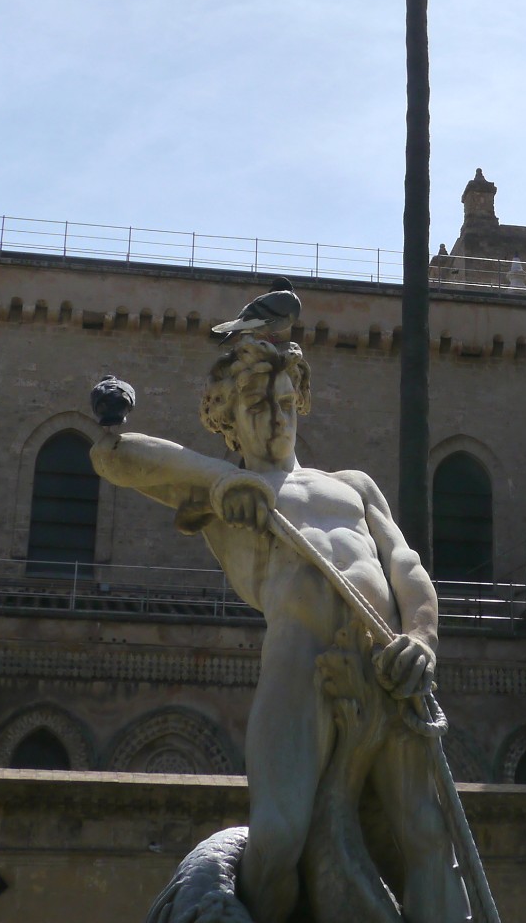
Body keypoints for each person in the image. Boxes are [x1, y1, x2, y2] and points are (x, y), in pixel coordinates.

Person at [93, 329, 465, 923]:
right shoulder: (217, 493)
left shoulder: (353, 486)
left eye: (287, 404)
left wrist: (422, 637)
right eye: (258, 407)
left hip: (386, 664)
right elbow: (116, 455)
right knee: (277, 840)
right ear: (229, 420)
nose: (277, 420)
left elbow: (405, 564)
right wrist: (220, 483)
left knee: (427, 833)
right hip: (300, 663)